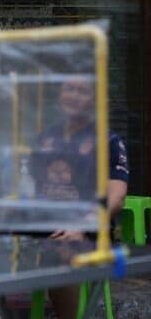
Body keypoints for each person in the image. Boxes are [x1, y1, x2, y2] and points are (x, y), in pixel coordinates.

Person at [29, 78, 128, 319]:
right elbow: (32, 189)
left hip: (87, 230)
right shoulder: (45, 139)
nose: (74, 95)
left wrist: (82, 225)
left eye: (83, 91)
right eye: (69, 89)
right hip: (45, 226)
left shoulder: (108, 141)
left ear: (94, 99)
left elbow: (117, 196)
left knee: (62, 251)